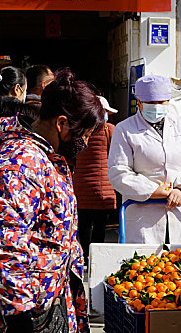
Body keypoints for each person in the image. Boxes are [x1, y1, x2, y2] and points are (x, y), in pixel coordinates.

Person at [0, 69, 102, 332]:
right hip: (17, 316)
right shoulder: (22, 163)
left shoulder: (47, 158)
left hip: (43, 304)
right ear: (61, 124)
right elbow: (7, 246)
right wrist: (21, 318)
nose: (86, 142)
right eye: (85, 134)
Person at [108, 75, 181, 244]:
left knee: (180, 265)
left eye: (162, 102)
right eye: (151, 103)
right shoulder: (124, 130)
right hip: (142, 217)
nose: (157, 107)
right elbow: (119, 172)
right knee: (142, 266)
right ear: (139, 102)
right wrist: (153, 191)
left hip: (178, 211)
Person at [74, 96, 117, 261]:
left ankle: (85, 254)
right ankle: (96, 257)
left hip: (81, 187)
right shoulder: (109, 129)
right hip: (103, 187)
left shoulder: (77, 131)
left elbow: (72, 158)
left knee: (84, 224)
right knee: (100, 225)